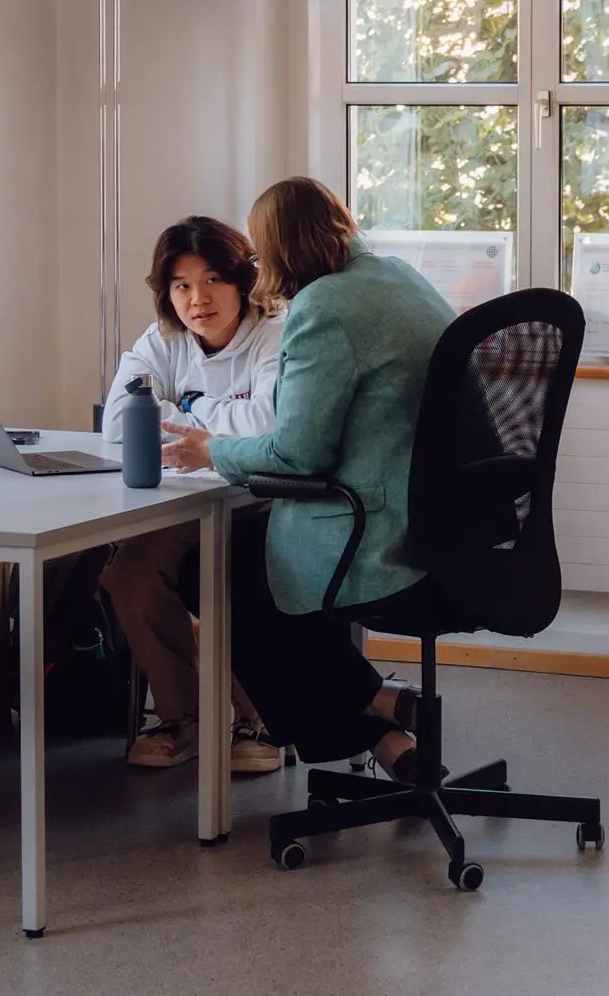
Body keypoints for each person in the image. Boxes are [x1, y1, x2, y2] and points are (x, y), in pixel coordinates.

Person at [162, 177, 452, 782]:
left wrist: (214, 450)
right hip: (443, 523)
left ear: (282, 249)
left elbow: (297, 454)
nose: (260, 269)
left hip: (379, 530)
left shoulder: (324, 307)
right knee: (247, 566)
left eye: (261, 255)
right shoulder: (399, 277)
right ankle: (384, 725)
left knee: (215, 573)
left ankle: (375, 716)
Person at [100, 215, 288, 773]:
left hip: (264, 495)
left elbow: (270, 418)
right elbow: (116, 421)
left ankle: (265, 718)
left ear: (241, 282)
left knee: (231, 576)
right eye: (181, 286)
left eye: (211, 281)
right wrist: (211, 419)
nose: (196, 299)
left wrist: (185, 408)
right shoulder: (163, 338)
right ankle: (185, 716)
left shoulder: (275, 330)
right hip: (190, 499)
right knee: (129, 573)